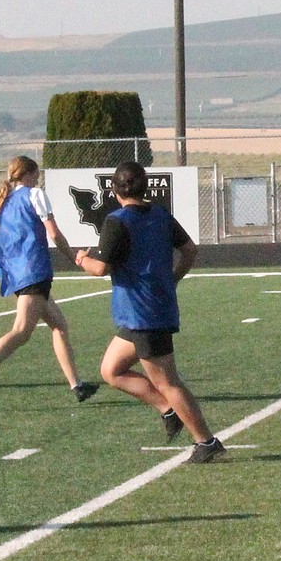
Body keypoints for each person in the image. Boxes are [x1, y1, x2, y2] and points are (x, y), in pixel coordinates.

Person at [75, 160, 225, 464]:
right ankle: (169, 411)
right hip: (144, 310)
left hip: (144, 312)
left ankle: (206, 441)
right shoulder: (159, 214)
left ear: (115, 190)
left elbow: (101, 267)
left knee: (168, 381)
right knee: (112, 371)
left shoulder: (117, 221)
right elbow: (190, 250)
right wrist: (174, 277)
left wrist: (81, 260)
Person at [0, 155, 98, 406]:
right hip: (34, 272)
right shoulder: (35, 195)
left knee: (59, 324)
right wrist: (75, 258)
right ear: (29, 174)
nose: (38, 179)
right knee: (22, 331)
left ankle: (77, 386)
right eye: (36, 175)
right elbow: (54, 233)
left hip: (18, 274)